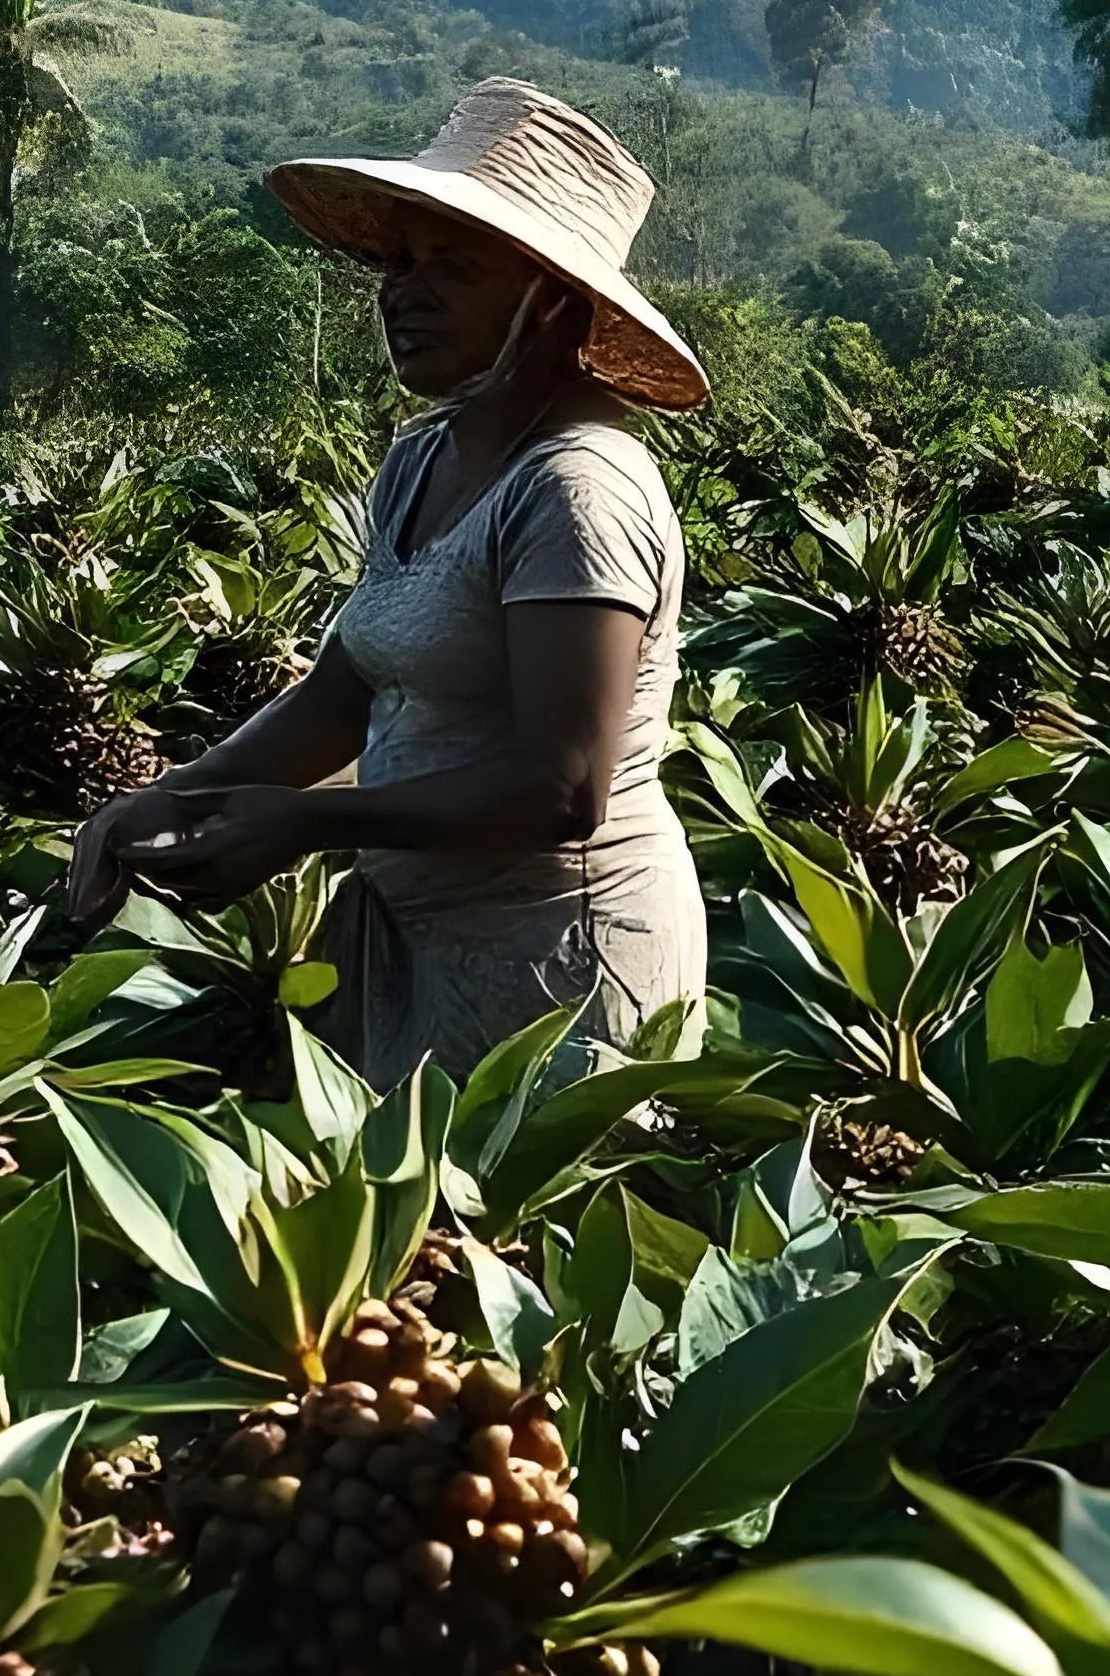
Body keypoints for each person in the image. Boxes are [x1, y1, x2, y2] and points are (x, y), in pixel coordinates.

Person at [64, 79, 708, 1087]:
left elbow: (562, 788)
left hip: (560, 968)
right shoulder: (422, 461)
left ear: (552, 296)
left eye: (453, 266)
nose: (403, 291)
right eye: (398, 262)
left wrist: (309, 822)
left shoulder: (577, 488)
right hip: (416, 940)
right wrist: (172, 796)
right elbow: (346, 691)